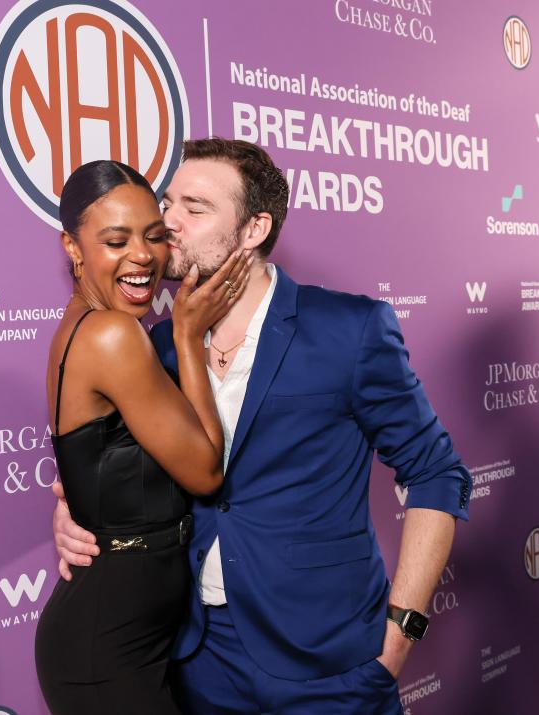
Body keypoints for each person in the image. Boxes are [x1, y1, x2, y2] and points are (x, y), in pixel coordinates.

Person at [52, 138, 473, 714]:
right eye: (167, 203)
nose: (167, 223)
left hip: (329, 663)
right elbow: (116, 462)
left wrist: (401, 630)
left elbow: (435, 472)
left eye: (194, 210)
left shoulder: (348, 329)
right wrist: (74, 507)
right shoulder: (150, 350)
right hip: (195, 659)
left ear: (253, 230)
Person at [33, 159, 252, 715]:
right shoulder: (111, 334)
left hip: (133, 628)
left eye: (155, 236)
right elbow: (205, 471)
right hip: (105, 642)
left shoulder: (97, 326)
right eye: (116, 240)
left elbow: (108, 469)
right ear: (72, 246)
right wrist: (186, 332)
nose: (142, 256)